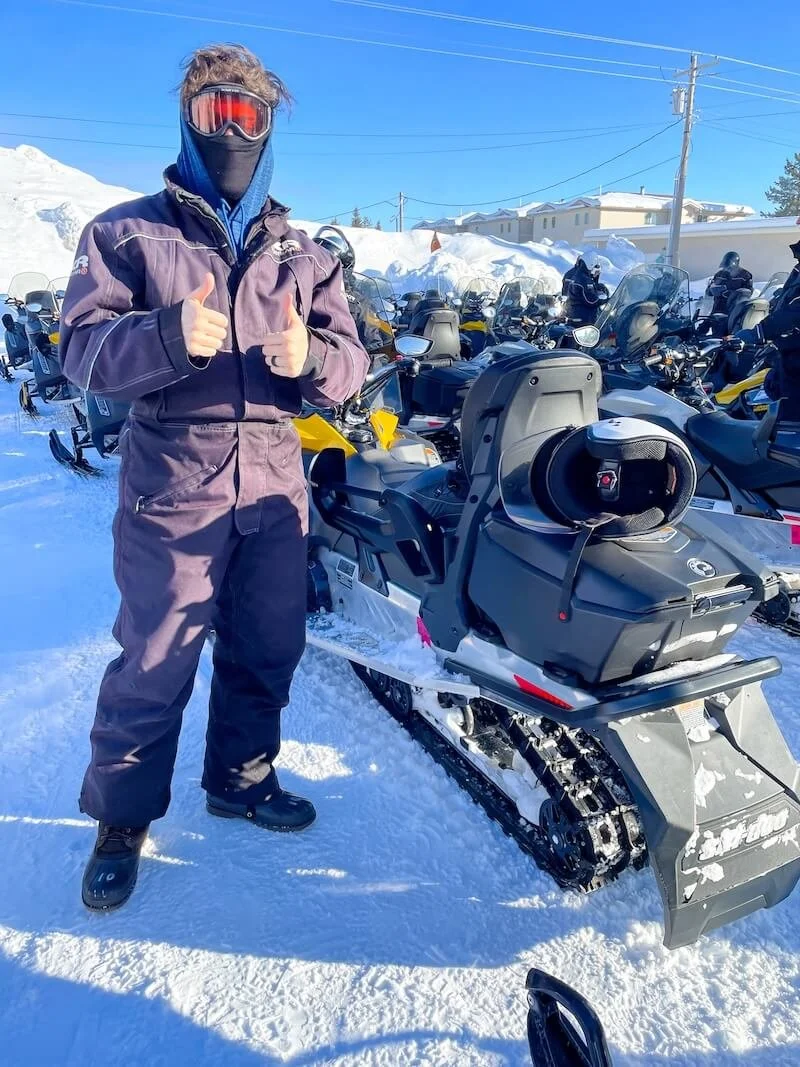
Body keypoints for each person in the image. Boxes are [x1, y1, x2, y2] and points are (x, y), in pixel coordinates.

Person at [60, 44, 370, 911]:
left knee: (269, 646)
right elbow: (79, 347)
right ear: (187, 121)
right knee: (155, 658)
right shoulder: (127, 234)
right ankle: (122, 819)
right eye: (212, 112)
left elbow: (353, 361)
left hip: (275, 479)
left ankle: (240, 777)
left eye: (247, 115)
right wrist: (162, 336)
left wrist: (315, 358)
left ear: (269, 127)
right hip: (175, 478)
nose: (230, 129)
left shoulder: (303, 253)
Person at [742, 240, 800, 419]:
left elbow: (793, 312)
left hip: (796, 359)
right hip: (789, 349)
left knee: (789, 410)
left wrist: (758, 333)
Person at [312, 226, 387, 353]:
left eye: (324, 262)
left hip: (344, 364)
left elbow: (373, 345)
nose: (319, 268)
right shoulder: (301, 293)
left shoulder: (358, 302)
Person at [561, 257, 608, 325]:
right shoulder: (582, 279)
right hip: (583, 317)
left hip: (576, 313)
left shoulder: (580, 276)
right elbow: (591, 300)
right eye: (597, 272)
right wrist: (607, 300)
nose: (596, 275)